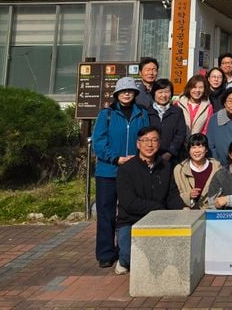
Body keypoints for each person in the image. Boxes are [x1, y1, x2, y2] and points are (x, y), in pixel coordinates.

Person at [91, 76, 150, 269]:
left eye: (130, 91)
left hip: (133, 172)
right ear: (116, 94)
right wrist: (116, 158)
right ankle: (106, 252)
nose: (126, 94)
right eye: (123, 91)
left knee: (132, 211)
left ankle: (130, 250)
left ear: (135, 94)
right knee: (106, 212)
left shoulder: (142, 114)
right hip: (108, 171)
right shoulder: (106, 114)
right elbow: (98, 143)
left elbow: (147, 139)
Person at [115, 126, 183, 275]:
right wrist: (158, 208)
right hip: (131, 220)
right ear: (138, 144)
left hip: (158, 219)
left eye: (154, 140)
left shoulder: (165, 166)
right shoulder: (126, 169)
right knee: (128, 259)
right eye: (145, 140)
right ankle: (122, 256)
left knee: (165, 257)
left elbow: (172, 194)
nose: (149, 144)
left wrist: (182, 211)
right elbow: (128, 202)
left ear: (159, 143)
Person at [173, 133, 221, 209]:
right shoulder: (179, 170)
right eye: (193, 147)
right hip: (188, 213)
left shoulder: (217, 168)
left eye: (200, 147)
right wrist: (188, 195)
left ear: (206, 150)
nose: (197, 151)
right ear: (188, 150)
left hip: (211, 211)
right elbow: (173, 196)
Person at [146, 78, 187, 165]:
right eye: (160, 92)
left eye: (167, 92)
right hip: (149, 156)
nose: (163, 95)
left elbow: (180, 134)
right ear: (154, 94)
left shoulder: (177, 111)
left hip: (172, 158)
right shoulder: (147, 112)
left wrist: (170, 152)